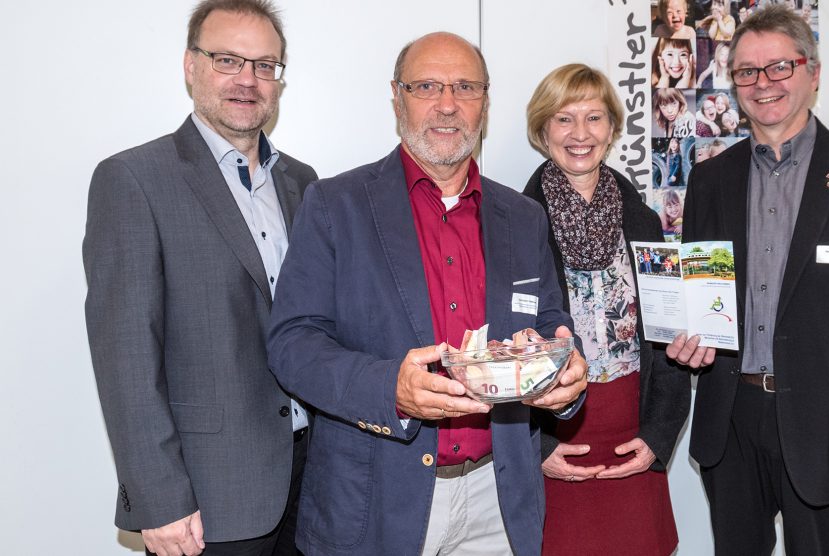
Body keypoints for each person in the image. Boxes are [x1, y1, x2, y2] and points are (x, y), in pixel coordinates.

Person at [266, 32, 589, 556]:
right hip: (375, 503)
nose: (446, 104)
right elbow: (291, 344)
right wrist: (387, 387)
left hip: (499, 500)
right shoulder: (334, 205)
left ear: (484, 102)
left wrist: (567, 379)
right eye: (426, 86)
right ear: (397, 97)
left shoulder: (524, 218)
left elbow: (553, 323)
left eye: (465, 87)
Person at [667, 6, 829, 555]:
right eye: (746, 72)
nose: (763, 84)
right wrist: (689, 342)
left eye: (779, 67)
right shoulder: (711, 180)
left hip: (827, 432)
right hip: (730, 423)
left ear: (814, 72)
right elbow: (703, 300)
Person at [82, 2, 317, 555]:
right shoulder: (133, 180)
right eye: (228, 59)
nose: (248, 80)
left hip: (311, 482)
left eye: (265, 66)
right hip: (207, 499)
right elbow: (125, 357)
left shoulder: (302, 183)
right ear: (191, 66)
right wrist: (158, 498)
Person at [520, 64, 690, 555]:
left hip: (633, 436)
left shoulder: (645, 222)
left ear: (612, 129)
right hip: (556, 436)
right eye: (563, 118)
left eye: (594, 118)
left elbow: (669, 337)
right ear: (542, 130)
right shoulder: (512, 222)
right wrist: (538, 446)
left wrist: (658, 437)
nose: (580, 134)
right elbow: (498, 348)